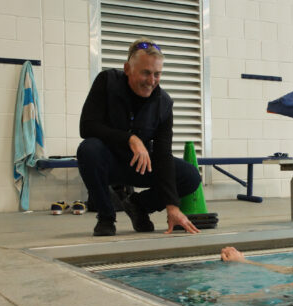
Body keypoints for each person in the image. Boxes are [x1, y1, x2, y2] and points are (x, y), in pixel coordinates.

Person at [77, 37, 201, 236]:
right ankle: (106, 216)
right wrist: (130, 138)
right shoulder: (107, 81)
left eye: (157, 74)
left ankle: (138, 205)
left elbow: (162, 155)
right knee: (88, 149)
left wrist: (172, 206)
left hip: (140, 165)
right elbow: (87, 127)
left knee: (190, 176)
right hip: (107, 161)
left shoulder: (164, 104)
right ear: (127, 69)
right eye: (146, 73)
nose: (151, 81)